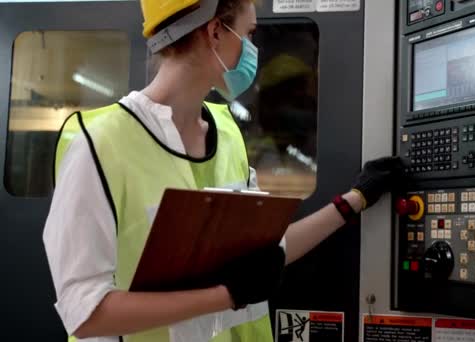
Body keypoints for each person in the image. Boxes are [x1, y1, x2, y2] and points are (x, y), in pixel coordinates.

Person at [42, 0, 406, 341]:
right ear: (215, 31)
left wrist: (354, 200)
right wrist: (226, 295)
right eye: (248, 34)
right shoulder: (100, 143)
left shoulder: (227, 132)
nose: (252, 49)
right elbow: (85, 312)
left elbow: (266, 255)